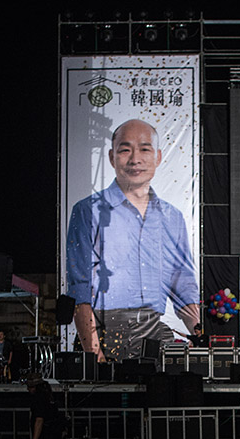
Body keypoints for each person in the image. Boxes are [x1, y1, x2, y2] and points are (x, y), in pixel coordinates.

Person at [65, 118, 200, 363]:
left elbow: (182, 282)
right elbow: (79, 288)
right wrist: (94, 353)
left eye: (145, 149)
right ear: (111, 157)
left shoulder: (172, 217)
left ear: (158, 157)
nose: (135, 159)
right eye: (125, 149)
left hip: (153, 332)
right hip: (106, 334)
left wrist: (201, 336)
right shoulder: (88, 211)